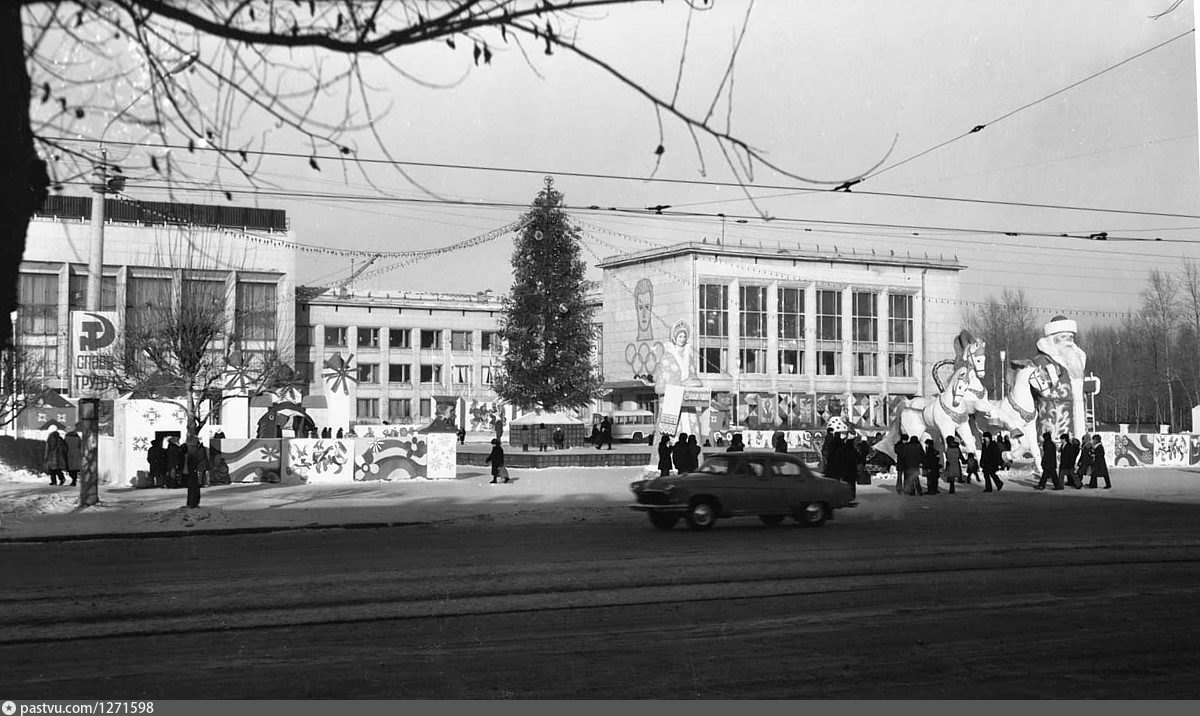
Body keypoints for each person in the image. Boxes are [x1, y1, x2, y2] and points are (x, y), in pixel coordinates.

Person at [183, 436, 208, 508]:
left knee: (194, 486)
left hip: (195, 470)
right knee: (194, 486)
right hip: (196, 470)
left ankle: (192, 503)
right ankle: (193, 503)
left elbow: (197, 460)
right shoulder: (199, 449)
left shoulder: (195, 451)